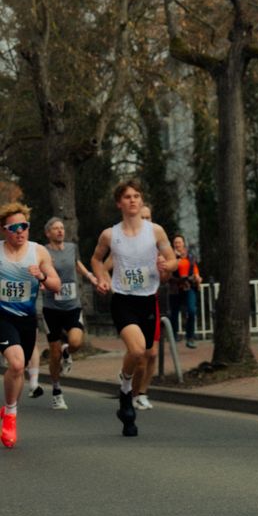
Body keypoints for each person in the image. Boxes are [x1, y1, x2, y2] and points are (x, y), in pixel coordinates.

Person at [90, 181, 179, 437]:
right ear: (119, 203)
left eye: (137, 196)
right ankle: (127, 392)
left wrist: (167, 265)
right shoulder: (110, 235)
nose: (133, 200)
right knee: (137, 350)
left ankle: (126, 391)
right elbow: (96, 259)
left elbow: (173, 260)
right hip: (123, 300)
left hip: (148, 299)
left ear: (141, 201)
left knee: (144, 355)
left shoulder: (155, 231)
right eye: (127, 197)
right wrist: (102, 278)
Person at [0, 204, 62, 447]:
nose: (20, 231)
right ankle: (10, 416)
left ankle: (9, 409)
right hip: (2, 317)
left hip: (26, 319)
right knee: (16, 363)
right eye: (14, 227)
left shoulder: (38, 252)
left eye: (24, 226)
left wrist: (42, 276)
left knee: (20, 369)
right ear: (4, 230)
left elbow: (56, 284)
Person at [42, 217, 93, 411]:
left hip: (72, 305)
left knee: (76, 342)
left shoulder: (72, 248)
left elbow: (77, 264)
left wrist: (90, 276)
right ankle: (56, 390)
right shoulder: (43, 251)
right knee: (54, 352)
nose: (60, 231)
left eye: (62, 228)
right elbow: (38, 271)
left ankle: (67, 352)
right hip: (51, 308)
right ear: (48, 233)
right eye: (55, 228)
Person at [166, 234, 202, 348]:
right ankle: (174, 336)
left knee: (191, 310)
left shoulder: (190, 257)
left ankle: (190, 337)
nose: (177, 244)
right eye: (175, 242)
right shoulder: (170, 257)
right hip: (175, 288)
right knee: (174, 313)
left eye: (179, 242)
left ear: (183, 244)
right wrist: (175, 258)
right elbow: (167, 272)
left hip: (188, 286)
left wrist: (197, 277)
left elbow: (195, 269)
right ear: (173, 245)